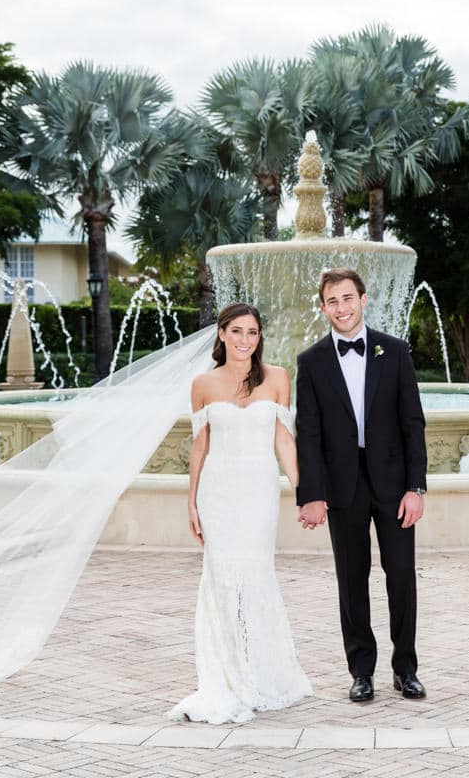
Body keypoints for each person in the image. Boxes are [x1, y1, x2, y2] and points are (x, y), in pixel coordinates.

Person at [170, 302, 312, 724]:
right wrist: (191, 501)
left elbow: (285, 440)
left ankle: (260, 672)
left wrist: (304, 490)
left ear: (259, 337)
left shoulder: (278, 379)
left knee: (255, 576)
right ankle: (228, 675)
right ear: (221, 334)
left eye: (252, 333)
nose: (245, 340)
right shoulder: (202, 385)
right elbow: (200, 446)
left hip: (259, 492)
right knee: (221, 579)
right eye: (237, 331)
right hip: (219, 493)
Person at [295, 268, 429, 703]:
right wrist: (311, 494)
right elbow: (308, 435)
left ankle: (405, 668)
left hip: (393, 487)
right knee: (351, 581)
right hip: (341, 488)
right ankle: (361, 671)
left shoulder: (395, 351)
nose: (342, 308)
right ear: (323, 307)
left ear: (363, 299)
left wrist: (416, 487)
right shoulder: (310, 362)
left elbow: (413, 424)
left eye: (348, 298)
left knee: (402, 577)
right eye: (333, 301)